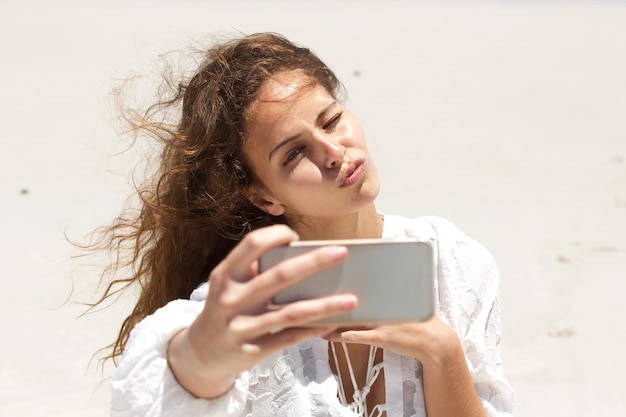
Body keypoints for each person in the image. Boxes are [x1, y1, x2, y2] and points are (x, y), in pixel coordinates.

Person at [93, 32, 514, 416]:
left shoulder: (456, 265)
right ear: (265, 197)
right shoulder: (243, 303)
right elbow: (175, 369)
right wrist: (202, 357)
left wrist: (443, 354)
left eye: (331, 120)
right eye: (294, 153)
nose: (334, 151)